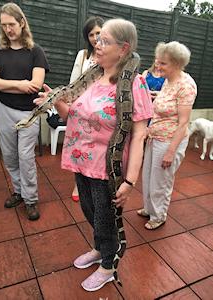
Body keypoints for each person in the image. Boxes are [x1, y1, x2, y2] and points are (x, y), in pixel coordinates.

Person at [35, 18, 153, 291]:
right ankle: (101, 249)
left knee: (105, 217)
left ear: (123, 49)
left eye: (105, 40)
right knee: (90, 212)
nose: (97, 45)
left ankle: (109, 264)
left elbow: (139, 136)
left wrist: (130, 180)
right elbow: (73, 117)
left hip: (106, 168)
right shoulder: (90, 76)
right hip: (81, 161)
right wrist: (56, 101)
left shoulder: (134, 85)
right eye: (97, 39)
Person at [0, 3, 49, 221]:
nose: (8, 29)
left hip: (28, 113)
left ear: (22, 23)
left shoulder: (36, 51)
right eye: (4, 25)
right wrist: (19, 85)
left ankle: (31, 199)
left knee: (26, 157)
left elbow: (37, 83)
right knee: (10, 156)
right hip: (4, 110)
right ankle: (19, 192)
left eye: (12, 24)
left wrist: (11, 84)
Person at [137, 41, 197, 230]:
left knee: (160, 181)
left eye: (163, 63)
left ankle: (158, 215)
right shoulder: (169, 80)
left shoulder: (186, 85)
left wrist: (171, 152)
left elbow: (183, 122)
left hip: (170, 141)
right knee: (148, 177)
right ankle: (149, 208)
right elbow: (166, 105)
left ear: (177, 64)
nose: (157, 66)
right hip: (155, 137)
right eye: (157, 61)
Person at [69, 16, 104, 202]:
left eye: (98, 32)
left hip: (101, 109)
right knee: (78, 145)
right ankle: (78, 182)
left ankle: (94, 181)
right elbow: (73, 81)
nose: (95, 37)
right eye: (91, 34)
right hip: (82, 107)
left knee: (96, 146)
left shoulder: (110, 54)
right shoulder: (83, 55)